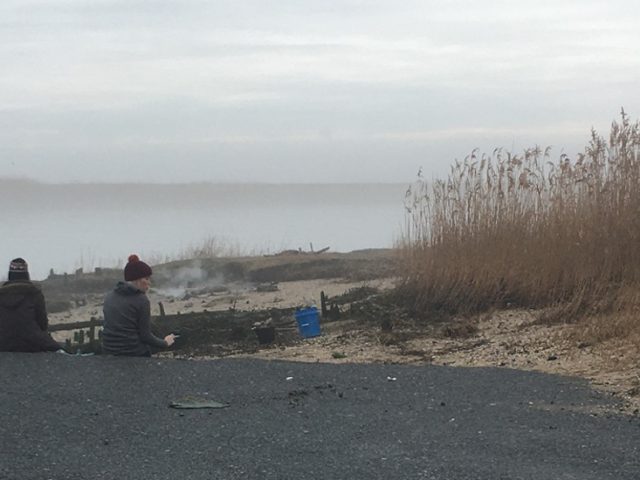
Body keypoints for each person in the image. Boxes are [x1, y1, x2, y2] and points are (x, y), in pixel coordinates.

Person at [102, 254, 175, 356]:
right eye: (147, 278)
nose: (149, 283)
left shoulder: (109, 297)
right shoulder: (141, 300)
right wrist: (165, 343)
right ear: (138, 280)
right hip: (133, 353)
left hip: (108, 351)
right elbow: (145, 336)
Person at [0, 258, 62, 352]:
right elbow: (42, 323)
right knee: (60, 352)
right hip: (31, 344)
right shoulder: (34, 293)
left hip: (3, 344)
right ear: (26, 275)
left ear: (10, 275)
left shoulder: (1, 295)